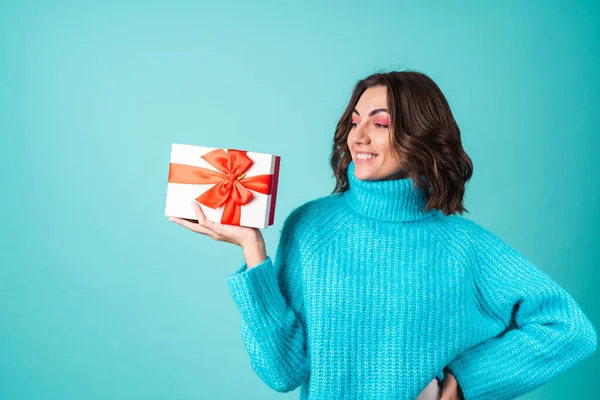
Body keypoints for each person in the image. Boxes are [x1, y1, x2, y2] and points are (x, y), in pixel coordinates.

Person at [168, 71, 598, 400]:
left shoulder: (464, 246)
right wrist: (253, 249)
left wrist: (465, 381)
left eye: (381, 123)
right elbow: (283, 371)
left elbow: (569, 329)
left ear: (420, 135)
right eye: (355, 121)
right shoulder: (311, 226)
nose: (358, 136)